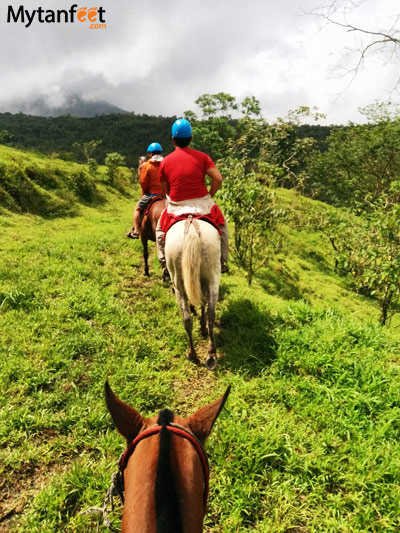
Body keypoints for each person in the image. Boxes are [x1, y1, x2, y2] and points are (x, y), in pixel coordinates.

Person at [156, 118, 229, 273]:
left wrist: (176, 196)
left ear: (173, 140)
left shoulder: (165, 161)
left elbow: (164, 191)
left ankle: (164, 264)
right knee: (222, 225)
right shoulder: (202, 157)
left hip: (177, 205)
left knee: (160, 230)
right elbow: (218, 178)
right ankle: (222, 261)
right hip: (202, 204)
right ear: (191, 138)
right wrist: (210, 195)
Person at [126, 143, 164, 239]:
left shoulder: (147, 165)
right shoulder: (165, 163)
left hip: (151, 195)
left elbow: (143, 182)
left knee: (137, 209)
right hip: (164, 195)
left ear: (150, 154)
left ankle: (136, 231)